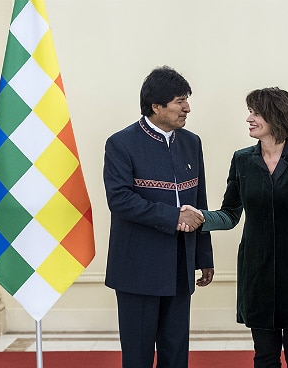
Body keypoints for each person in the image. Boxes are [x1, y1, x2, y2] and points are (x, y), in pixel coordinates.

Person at [183, 87, 288, 368]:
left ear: (276, 115)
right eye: (250, 112)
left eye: (255, 112)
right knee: (264, 357)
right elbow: (229, 214)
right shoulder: (242, 159)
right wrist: (201, 217)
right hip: (258, 270)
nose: (249, 119)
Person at [103, 65, 214, 368]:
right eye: (180, 101)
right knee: (138, 356)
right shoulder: (120, 144)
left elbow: (198, 203)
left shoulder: (192, 142)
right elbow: (121, 201)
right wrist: (174, 216)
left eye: (186, 100)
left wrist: (204, 257)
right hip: (137, 269)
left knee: (176, 354)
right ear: (156, 106)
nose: (187, 108)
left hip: (181, 266)